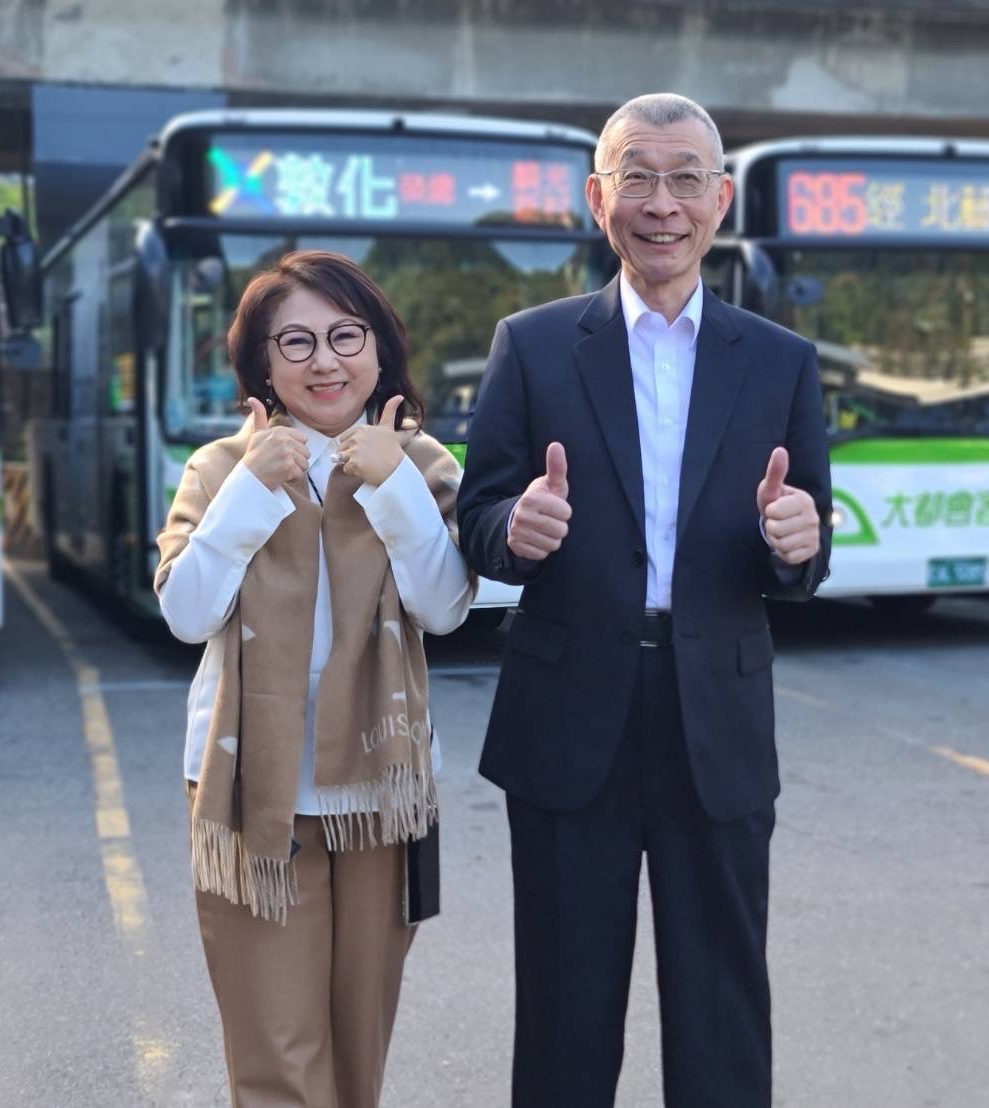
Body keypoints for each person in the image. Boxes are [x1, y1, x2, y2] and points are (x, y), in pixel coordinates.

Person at [457, 93, 832, 1107]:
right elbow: (480, 512)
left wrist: (795, 544)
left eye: (682, 180)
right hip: (569, 710)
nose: (659, 203)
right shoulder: (532, 345)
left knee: (720, 1004)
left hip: (715, 710)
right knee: (566, 1006)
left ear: (718, 200)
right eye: (636, 177)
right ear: (597, 198)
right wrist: (512, 531)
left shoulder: (781, 362)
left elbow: (806, 542)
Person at [155, 250, 474, 1108]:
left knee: (357, 1045)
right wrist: (251, 494)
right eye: (294, 342)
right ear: (262, 363)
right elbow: (186, 615)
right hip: (254, 797)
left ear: (379, 352)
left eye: (344, 336)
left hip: (381, 794)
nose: (323, 361)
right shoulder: (222, 468)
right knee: (278, 1059)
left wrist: (394, 484)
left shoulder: (422, 461)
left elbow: (445, 608)